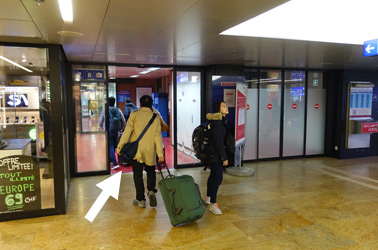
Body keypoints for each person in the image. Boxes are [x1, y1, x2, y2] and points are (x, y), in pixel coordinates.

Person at [117, 95, 164, 208]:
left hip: (137, 151)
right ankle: (151, 190)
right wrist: (160, 154)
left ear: (140, 103)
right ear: (151, 103)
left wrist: (120, 147)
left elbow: (127, 132)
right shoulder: (155, 117)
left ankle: (140, 200)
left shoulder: (134, 115)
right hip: (150, 150)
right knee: (150, 171)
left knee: (137, 175)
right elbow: (158, 136)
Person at [205, 101, 229, 215]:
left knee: (213, 176)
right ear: (218, 109)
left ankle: (209, 198)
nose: (226, 107)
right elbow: (219, 143)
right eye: (223, 106)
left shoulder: (217, 121)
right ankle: (213, 204)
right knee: (218, 178)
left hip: (213, 154)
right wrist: (224, 158)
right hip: (215, 156)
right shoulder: (218, 123)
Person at [98, 96, 126, 170]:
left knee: (110, 146)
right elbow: (123, 120)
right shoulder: (118, 110)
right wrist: (122, 128)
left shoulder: (105, 110)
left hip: (108, 130)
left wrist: (102, 127)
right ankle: (111, 160)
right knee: (113, 146)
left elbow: (100, 121)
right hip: (116, 130)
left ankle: (115, 163)